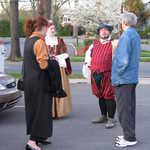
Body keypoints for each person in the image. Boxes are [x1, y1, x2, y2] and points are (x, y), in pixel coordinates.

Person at [112, 12, 141, 148]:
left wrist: (116, 74)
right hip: (131, 77)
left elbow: (123, 61)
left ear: (124, 22)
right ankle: (129, 135)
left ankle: (129, 138)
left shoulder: (126, 35)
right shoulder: (135, 34)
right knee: (129, 109)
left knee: (124, 110)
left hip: (123, 79)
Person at [23, 16, 53, 150]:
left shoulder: (29, 40)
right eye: (47, 27)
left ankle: (40, 137)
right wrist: (52, 62)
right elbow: (43, 65)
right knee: (40, 111)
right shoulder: (40, 42)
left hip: (30, 82)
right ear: (43, 27)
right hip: (39, 82)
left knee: (34, 110)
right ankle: (32, 141)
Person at [84, 23, 116, 128]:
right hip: (95, 73)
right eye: (102, 30)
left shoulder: (114, 44)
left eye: (106, 30)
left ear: (109, 32)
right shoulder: (94, 44)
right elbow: (88, 57)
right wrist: (88, 68)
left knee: (109, 96)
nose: (104, 31)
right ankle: (103, 116)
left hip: (108, 74)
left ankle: (111, 118)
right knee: (100, 95)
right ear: (99, 32)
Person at [45, 20, 72, 118]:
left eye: (53, 28)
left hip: (59, 68)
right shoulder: (43, 41)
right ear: (46, 29)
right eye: (51, 28)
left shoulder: (59, 40)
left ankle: (60, 112)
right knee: (48, 88)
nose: (53, 30)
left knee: (60, 87)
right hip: (47, 69)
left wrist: (58, 57)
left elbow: (65, 52)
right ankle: (49, 111)